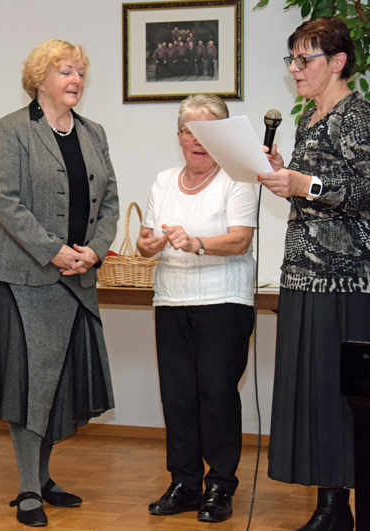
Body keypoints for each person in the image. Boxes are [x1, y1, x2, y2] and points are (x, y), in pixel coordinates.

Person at [258, 17, 370, 531]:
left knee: (353, 398)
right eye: (293, 59)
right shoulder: (309, 117)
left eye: (305, 60)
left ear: (338, 61)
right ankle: (332, 508)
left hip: (347, 281)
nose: (296, 69)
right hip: (304, 276)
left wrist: (309, 183)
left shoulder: (358, 114)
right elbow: (315, 187)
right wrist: (289, 173)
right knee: (318, 396)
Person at [0, 38, 120, 527]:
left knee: (59, 385)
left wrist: (93, 251)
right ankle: (28, 489)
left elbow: (111, 199)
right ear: (39, 80)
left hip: (77, 280)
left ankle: (44, 476)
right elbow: (5, 201)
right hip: (25, 280)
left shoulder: (94, 132)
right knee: (30, 383)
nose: (75, 80)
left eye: (79, 72)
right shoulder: (12, 129)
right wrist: (54, 251)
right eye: (64, 72)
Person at [136, 94, 257, 523]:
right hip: (171, 300)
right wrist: (148, 245)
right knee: (178, 397)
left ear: (222, 138)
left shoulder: (239, 179)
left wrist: (198, 243)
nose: (196, 140)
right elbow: (144, 240)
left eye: (207, 132)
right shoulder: (164, 180)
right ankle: (185, 482)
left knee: (216, 396)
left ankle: (220, 486)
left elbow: (241, 239)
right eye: (189, 130)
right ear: (179, 136)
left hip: (223, 301)